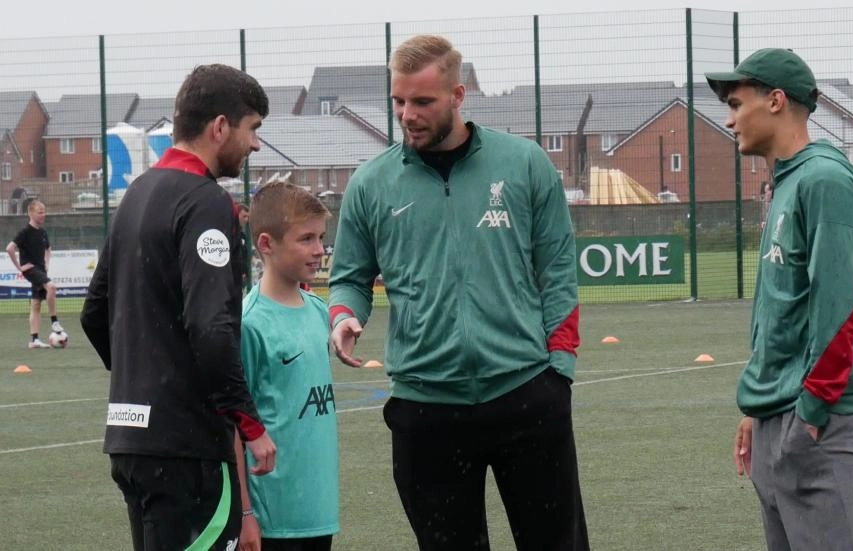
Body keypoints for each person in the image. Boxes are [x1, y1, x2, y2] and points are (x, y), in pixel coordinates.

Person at [328, 34, 589, 551]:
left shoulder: (525, 163)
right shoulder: (369, 184)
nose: (407, 114)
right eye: (399, 101)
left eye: (422, 101)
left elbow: (557, 269)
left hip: (526, 394)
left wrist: (558, 373)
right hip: (425, 408)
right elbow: (350, 277)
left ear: (457, 95)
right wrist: (343, 315)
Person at [80, 64, 277, 551]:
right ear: (219, 127)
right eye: (252, 129)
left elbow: (93, 310)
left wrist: (143, 382)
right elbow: (212, 328)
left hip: (131, 443)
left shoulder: (137, 193)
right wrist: (250, 425)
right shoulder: (207, 203)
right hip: (186, 449)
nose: (255, 146)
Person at [706, 48, 853, 551]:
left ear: (776, 101)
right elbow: (786, 311)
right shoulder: (788, 182)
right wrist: (759, 405)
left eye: (737, 103)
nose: (729, 119)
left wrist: (808, 415)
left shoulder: (824, 181)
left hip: (822, 423)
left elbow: (841, 306)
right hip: (780, 415)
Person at [233, 181, 338, 551]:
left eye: (321, 238)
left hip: (318, 510)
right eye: (306, 238)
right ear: (266, 244)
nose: (319, 250)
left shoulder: (318, 312)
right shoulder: (249, 323)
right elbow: (233, 425)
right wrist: (245, 514)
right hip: (272, 518)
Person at [6, 199, 64, 348]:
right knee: (51, 287)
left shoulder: (43, 232)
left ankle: (35, 340)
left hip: (40, 269)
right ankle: (54, 322)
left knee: (36, 304)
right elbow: (10, 248)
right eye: (40, 212)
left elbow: (48, 249)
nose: (43, 215)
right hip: (30, 269)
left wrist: (47, 262)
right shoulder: (25, 232)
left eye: (44, 212)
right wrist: (19, 267)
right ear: (31, 213)